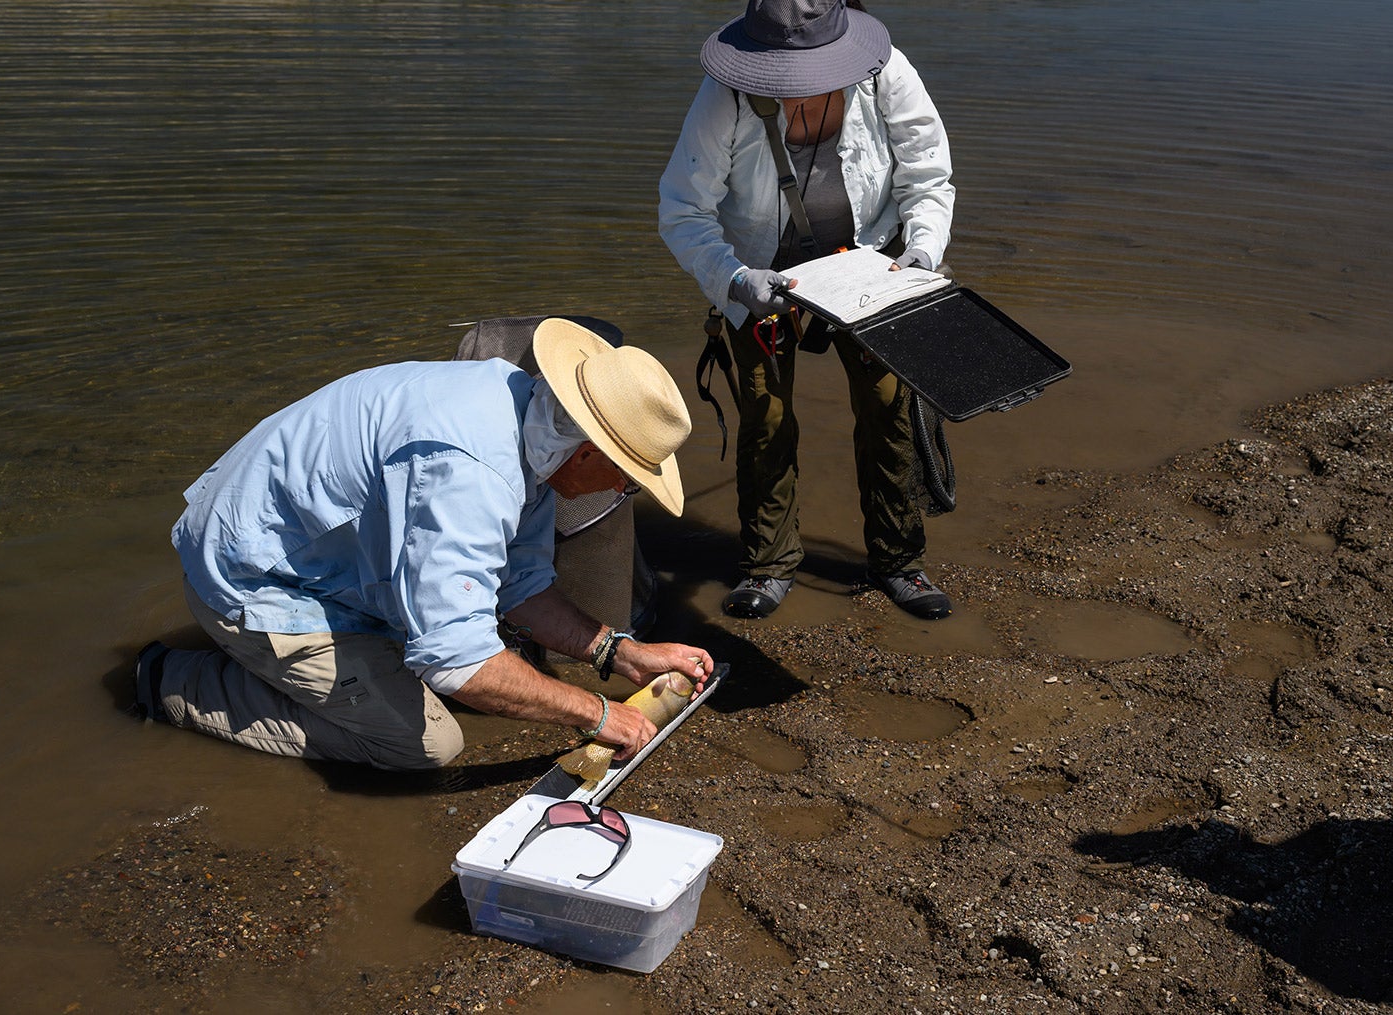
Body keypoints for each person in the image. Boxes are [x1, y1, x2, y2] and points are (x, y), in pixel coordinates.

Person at [134, 318, 714, 770]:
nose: (622, 489)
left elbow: (520, 585)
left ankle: (317, 667)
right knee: (427, 745)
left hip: (313, 551)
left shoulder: (529, 416)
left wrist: (622, 653)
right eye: (628, 476)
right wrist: (598, 713)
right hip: (254, 578)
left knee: (471, 665)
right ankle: (177, 684)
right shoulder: (472, 473)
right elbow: (457, 663)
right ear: (588, 452)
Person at [659, 0, 956, 620]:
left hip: (876, 264)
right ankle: (767, 565)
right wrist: (736, 280)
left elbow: (927, 176)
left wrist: (922, 257)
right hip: (763, 277)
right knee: (765, 417)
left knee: (888, 410)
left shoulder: (884, 72)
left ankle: (898, 561)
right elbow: (683, 210)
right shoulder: (727, 96)